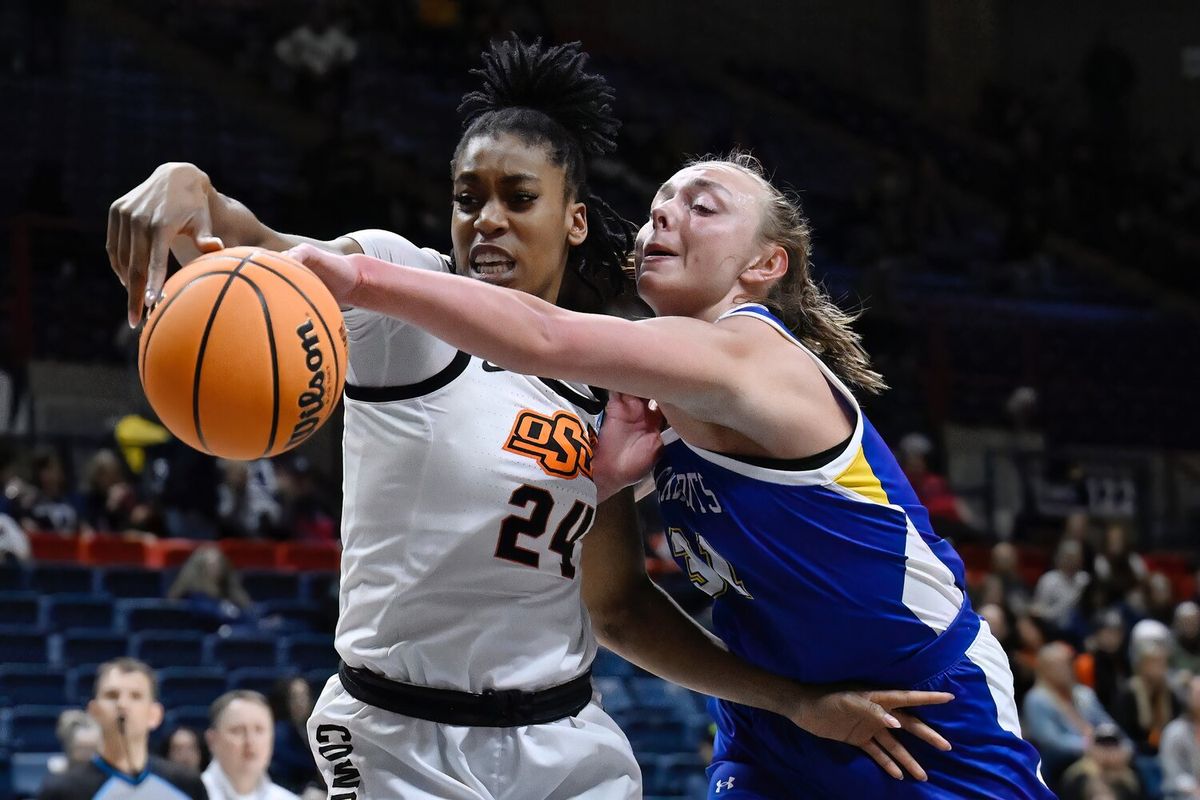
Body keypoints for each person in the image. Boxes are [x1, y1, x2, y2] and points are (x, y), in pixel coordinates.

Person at [108, 37, 952, 800]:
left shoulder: (612, 380)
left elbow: (617, 609)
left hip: (563, 742)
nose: (487, 220)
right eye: (467, 196)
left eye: (518, 197)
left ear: (574, 220)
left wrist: (791, 699)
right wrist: (195, 190)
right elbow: (269, 253)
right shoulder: (406, 293)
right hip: (403, 737)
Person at [284, 150, 1052, 797]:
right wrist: (606, 486)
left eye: (702, 207)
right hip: (775, 723)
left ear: (764, 264)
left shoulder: (755, 354)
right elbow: (614, 612)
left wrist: (358, 282)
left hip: (922, 710)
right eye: (658, 207)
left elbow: (546, 335)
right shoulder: (648, 407)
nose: (663, 218)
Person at [38, 658, 207, 800]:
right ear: (94, 712)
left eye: (136, 696)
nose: (122, 705)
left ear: (154, 715)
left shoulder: (188, 784)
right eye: (112, 695)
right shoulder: (61, 790)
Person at [1024, 642, 1128, 788]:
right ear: (1043, 669)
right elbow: (1050, 741)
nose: (1064, 669)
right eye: (1057, 665)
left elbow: (1108, 724)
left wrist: (1123, 748)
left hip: (1101, 754)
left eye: (1067, 664)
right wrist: (1088, 748)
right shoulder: (1036, 699)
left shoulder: (1084, 694)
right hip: (1063, 763)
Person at [203, 691, 297, 800]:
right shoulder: (186, 796)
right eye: (237, 730)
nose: (250, 741)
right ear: (212, 740)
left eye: (259, 730)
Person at [267, 677, 320, 793]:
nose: (300, 703)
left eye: (304, 696)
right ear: (285, 700)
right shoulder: (279, 733)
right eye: (294, 697)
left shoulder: (312, 727)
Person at [1160, 675, 1200, 800]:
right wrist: (1195, 790)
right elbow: (1174, 774)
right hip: (1181, 795)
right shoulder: (1175, 731)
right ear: (1188, 697)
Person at [47, 710, 101, 775]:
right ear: (70, 747)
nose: (88, 754)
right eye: (82, 748)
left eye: (92, 749)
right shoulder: (57, 775)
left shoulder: (107, 775)